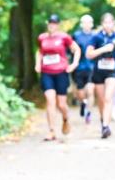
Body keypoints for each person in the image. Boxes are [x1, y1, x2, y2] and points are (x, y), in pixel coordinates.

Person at [35, 13, 81, 141]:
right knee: (50, 100)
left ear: (58, 25)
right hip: (47, 72)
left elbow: (76, 49)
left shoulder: (64, 37)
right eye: (50, 23)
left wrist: (74, 64)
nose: (52, 26)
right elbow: (39, 52)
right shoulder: (42, 38)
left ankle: (66, 119)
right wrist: (38, 64)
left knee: (61, 104)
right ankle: (51, 131)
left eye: (54, 24)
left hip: (61, 72)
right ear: (47, 24)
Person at [85, 12, 115, 139]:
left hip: (112, 71)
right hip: (98, 72)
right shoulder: (96, 38)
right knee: (101, 100)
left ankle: (105, 126)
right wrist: (103, 49)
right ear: (102, 24)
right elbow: (89, 54)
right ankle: (104, 120)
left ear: (113, 23)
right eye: (105, 22)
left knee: (109, 97)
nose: (108, 25)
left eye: (110, 22)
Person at [70, 14, 96, 125]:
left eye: (89, 22)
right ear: (81, 24)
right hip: (79, 68)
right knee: (80, 92)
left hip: (92, 67)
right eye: (84, 22)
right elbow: (70, 50)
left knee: (90, 90)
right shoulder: (75, 36)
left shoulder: (96, 36)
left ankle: (88, 113)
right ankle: (83, 103)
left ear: (92, 24)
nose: (86, 24)